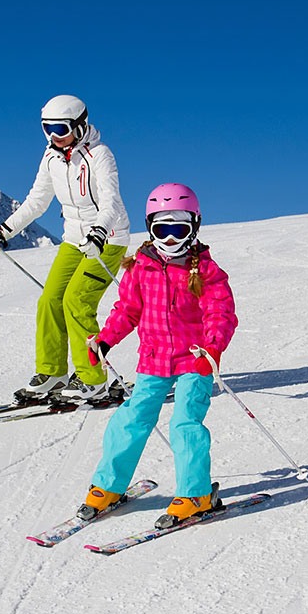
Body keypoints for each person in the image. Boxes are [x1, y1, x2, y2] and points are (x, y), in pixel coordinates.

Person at [76, 183, 238, 529]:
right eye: (161, 228)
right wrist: (105, 340)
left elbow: (220, 312)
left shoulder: (206, 271)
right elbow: (127, 311)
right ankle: (109, 486)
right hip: (153, 360)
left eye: (178, 228)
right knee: (130, 418)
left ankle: (196, 494)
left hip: (195, 360)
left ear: (194, 226)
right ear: (149, 227)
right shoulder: (140, 267)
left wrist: (212, 347)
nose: (169, 237)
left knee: (184, 424)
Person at [0, 95, 131, 402]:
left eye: (61, 128)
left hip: (108, 238)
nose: (54, 136)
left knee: (76, 301)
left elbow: (111, 202)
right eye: (47, 129)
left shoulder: (100, 155)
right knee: (50, 300)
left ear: (79, 126)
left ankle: (94, 378)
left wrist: (99, 233)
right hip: (73, 240)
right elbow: (37, 201)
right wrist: (5, 230)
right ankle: (52, 373)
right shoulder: (51, 157)